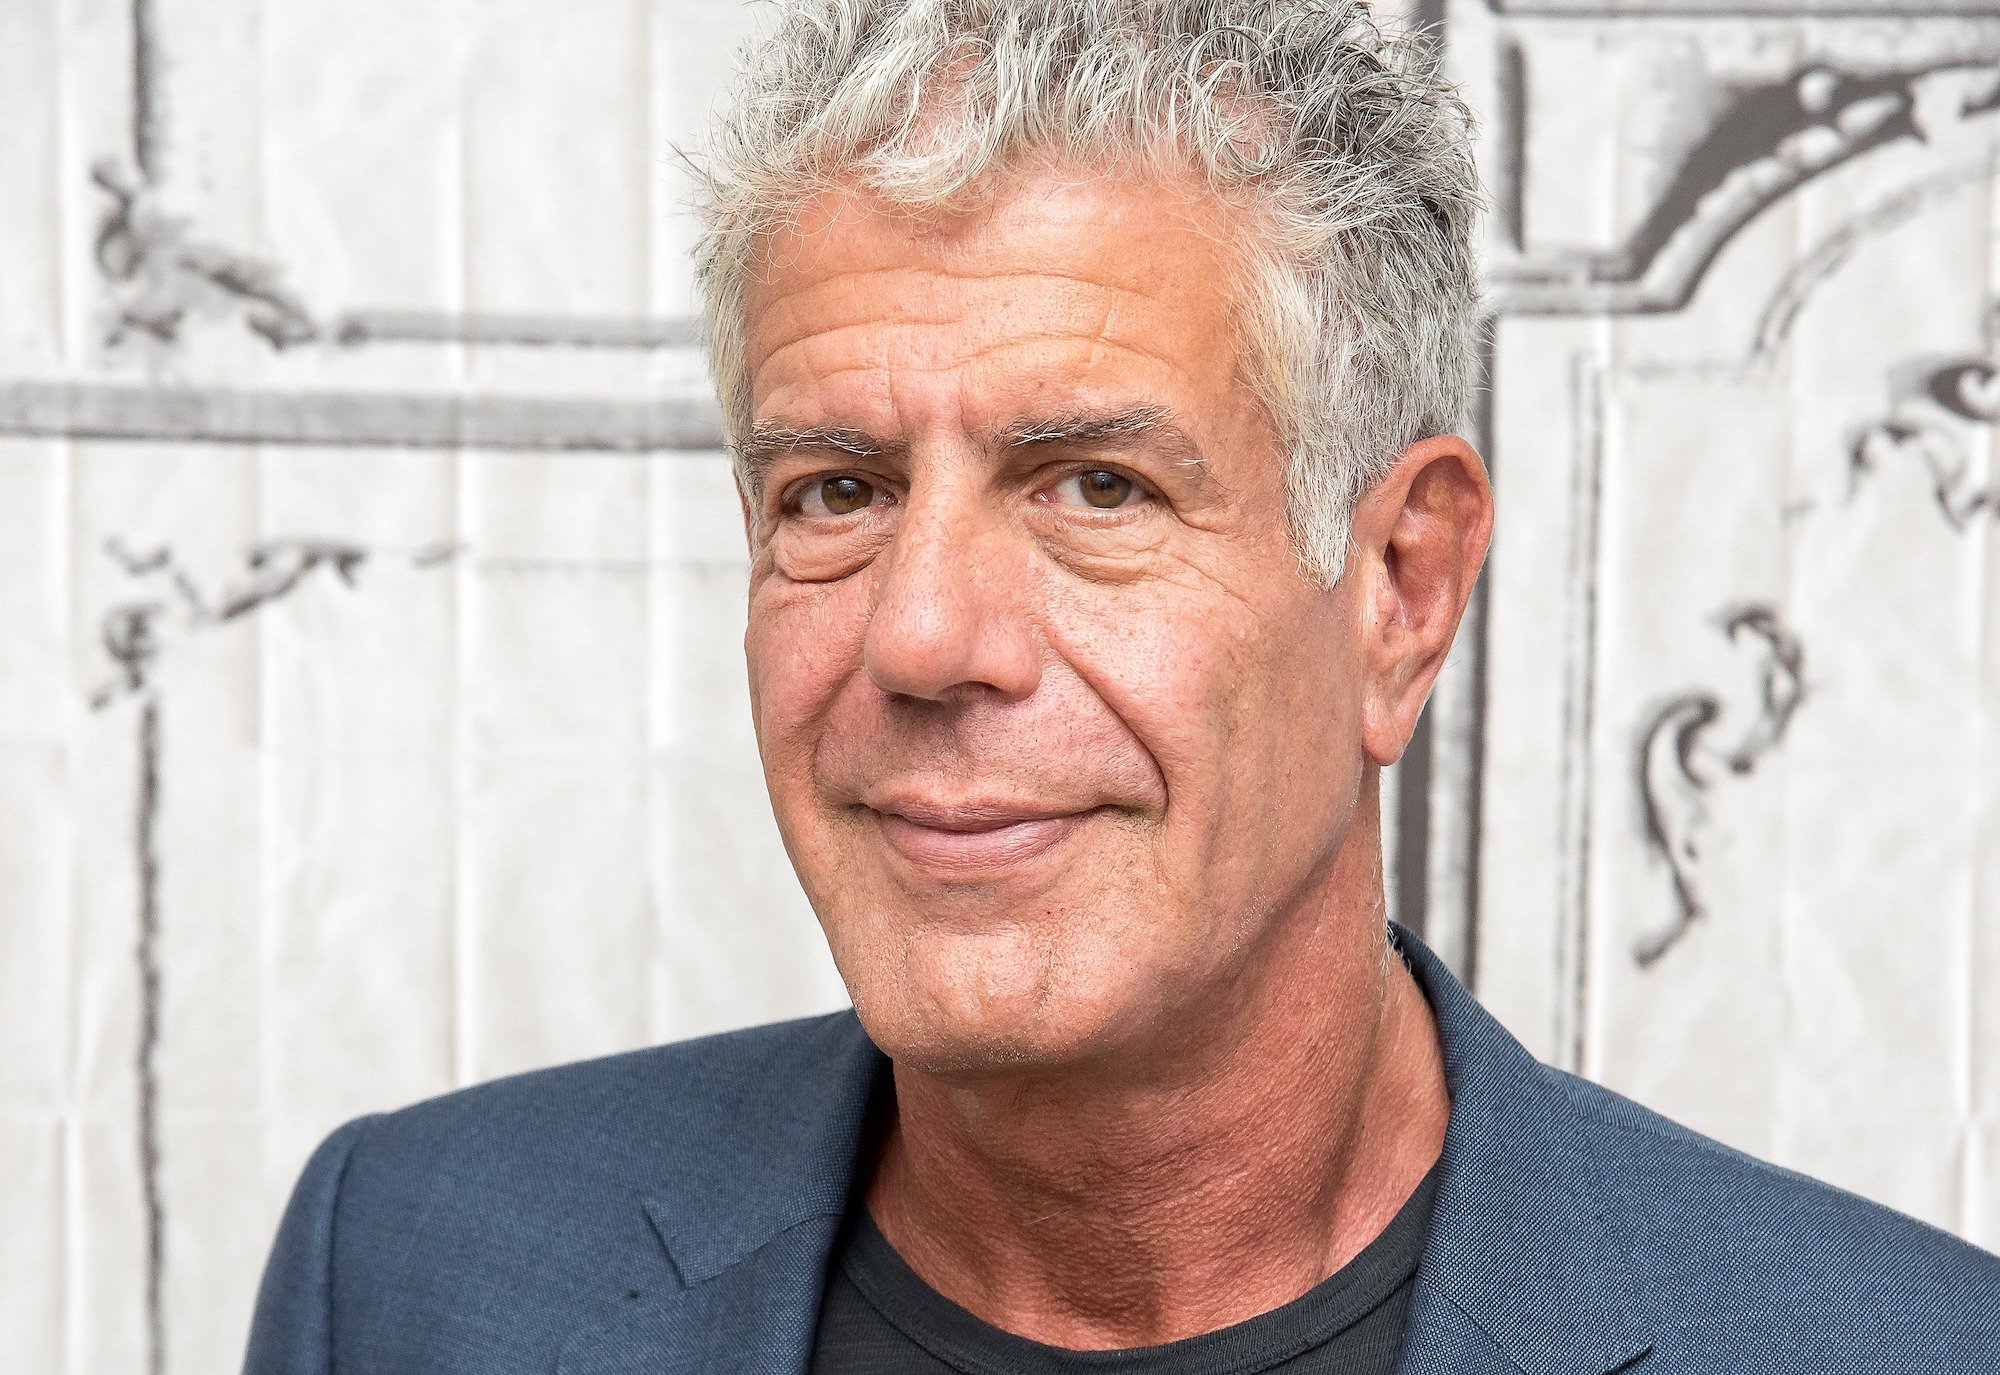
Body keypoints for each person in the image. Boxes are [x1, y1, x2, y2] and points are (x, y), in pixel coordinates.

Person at [242, 1, 2000, 1371]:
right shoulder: (405, 1275)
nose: (924, 638)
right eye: (835, 491)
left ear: (1402, 588)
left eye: (1099, 486)